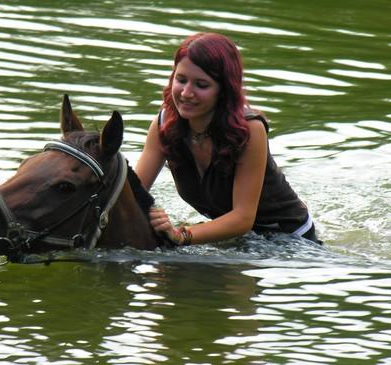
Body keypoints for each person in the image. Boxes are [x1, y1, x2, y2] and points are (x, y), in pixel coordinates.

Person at [135, 32, 319, 246]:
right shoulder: (164, 124)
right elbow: (133, 191)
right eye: (181, 79)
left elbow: (243, 219)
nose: (186, 93)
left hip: (289, 240)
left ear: (224, 91)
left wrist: (182, 234)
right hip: (232, 239)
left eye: (201, 85)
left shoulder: (250, 129)